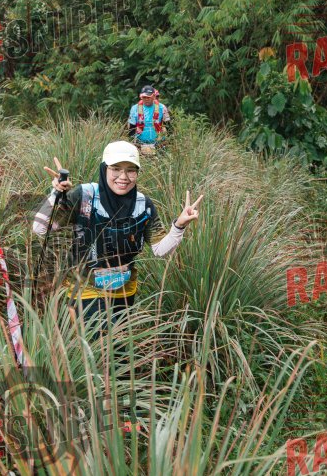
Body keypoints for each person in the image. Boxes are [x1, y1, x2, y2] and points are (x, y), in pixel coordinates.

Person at [32, 141, 202, 333]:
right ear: (104, 169)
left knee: (118, 345)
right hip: (85, 289)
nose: (123, 177)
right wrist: (57, 194)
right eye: (116, 169)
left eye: (131, 170)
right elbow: (40, 228)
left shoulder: (143, 204)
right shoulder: (84, 196)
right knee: (104, 342)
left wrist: (179, 225)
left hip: (124, 290)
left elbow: (159, 249)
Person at [128, 85, 170, 153]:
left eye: (148, 97)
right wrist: (132, 143)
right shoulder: (135, 108)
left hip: (159, 143)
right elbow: (131, 128)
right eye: (144, 97)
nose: (146, 99)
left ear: (153, 96)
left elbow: (169, 126)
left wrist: (169, 141)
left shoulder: (162, 108)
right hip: (140, 143)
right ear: (141, 97)